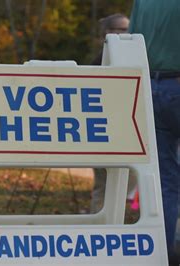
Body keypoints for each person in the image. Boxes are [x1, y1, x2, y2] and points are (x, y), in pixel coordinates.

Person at [129, 1, 180, 264]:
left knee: (167, 180)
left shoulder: (144, 2)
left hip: (150, 88)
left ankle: (166, 250)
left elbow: (130, 41)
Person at [90, 13, 137, 214]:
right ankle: (98, 229)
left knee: (126, 185)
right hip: (102, 135)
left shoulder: (135, 61)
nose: (122, 35)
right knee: (103, 186)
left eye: (126, 30)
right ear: (106, 34)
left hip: (125, 135)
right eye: (119, 30)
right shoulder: (96, 64)